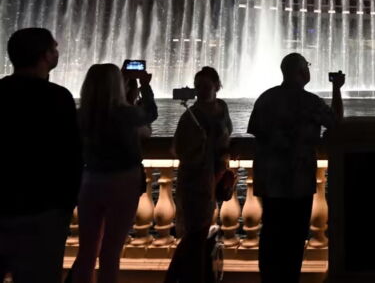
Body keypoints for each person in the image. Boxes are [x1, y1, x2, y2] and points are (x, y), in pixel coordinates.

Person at [247, 53, 344, 283]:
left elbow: (257, 133)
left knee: (270, 235)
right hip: (297, 181)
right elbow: (337, 123)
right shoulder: (310, 102)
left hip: (269, 181)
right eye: (307, 67)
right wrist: (337, 89)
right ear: (301, 72)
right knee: (294, 239)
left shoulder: (265, 99)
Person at [0, 28, 82, 283]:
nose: (57, 52)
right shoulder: (58, 97)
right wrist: (66, 204)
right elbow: (72, 155)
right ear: (45, 56)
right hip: (44, 213)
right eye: (54, 48)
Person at [71, 64, 157, 283]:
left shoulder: (81, 114)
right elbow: (150, 114)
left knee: (87, 250)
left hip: (90, 181)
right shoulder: (125, 113)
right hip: (123, 181)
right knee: (111, 251)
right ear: (117, 85)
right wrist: (145, 87)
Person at [165, 67, 233, 283]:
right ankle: (182, 277)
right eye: (198, 87)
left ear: (217, 86)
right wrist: (200, 149)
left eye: (206, 86)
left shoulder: (222, 109)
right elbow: (178, 149)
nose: (202, 91)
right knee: (195, 236)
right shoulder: (190, 116)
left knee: (199, 236)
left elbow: (226, 137)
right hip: (195, 181)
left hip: (214, 178)